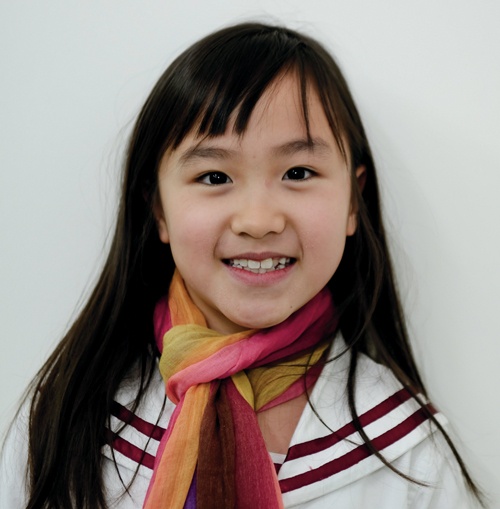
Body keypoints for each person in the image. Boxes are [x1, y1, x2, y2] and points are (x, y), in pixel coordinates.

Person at [0, 22, 486, 509]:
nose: (258, 221)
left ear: (353, 202)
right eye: (214, 176)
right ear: (159, 209)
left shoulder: (411, 454)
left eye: (299, 172)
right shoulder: (68, 417)